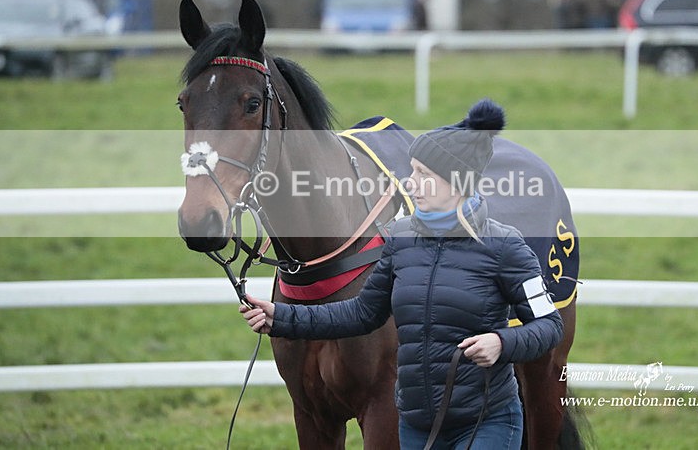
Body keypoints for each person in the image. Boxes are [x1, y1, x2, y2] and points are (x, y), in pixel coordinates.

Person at [240, 99, 564, 450]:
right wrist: (282, 317)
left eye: (423, 175)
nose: (410, 184)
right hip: (416, 427)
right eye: (411, 172)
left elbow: (550, 326)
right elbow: (361, 313)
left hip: (486, 422)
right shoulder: (400, 241)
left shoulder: (507, 247)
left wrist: (503, 342)